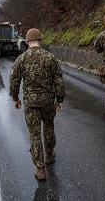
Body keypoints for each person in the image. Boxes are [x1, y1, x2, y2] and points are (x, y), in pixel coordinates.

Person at [9, 28, 65, 181]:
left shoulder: (22, 58)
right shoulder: (50, 57)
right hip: (48, 101)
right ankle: (49, 155)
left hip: (31, 103)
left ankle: (40, 168)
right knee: (48, 127)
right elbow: (58, 80)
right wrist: (59, 100)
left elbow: (14, 80)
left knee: (34, 134)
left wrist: (15, 98)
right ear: (40, 40)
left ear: (27, 42)